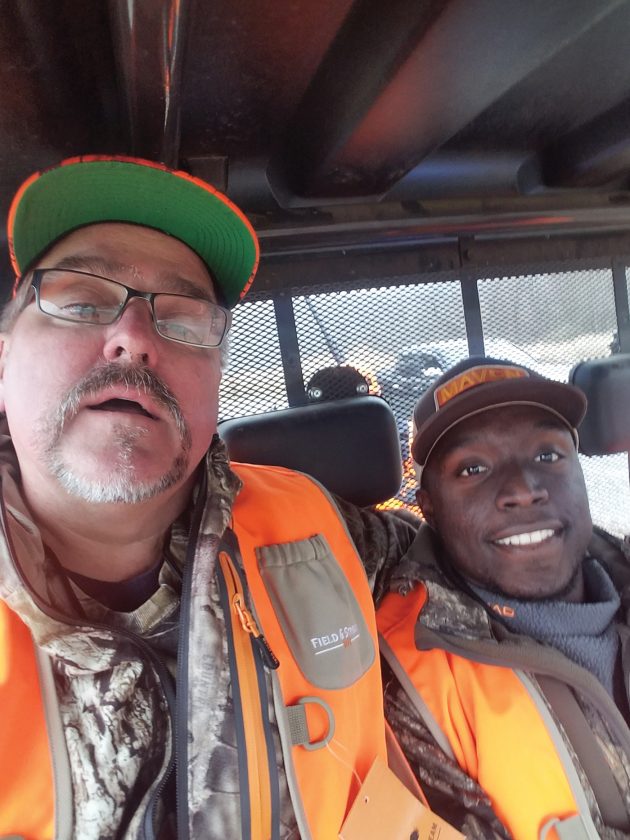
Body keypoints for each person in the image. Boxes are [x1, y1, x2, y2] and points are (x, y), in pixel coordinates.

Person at [0, 155, 416, 839]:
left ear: (217, 377)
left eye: (182, 318)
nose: (134, 339)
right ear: (3, 359)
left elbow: (457, 563)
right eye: (82, 303)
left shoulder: (314, 526)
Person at [377, 357, 630, 839]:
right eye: (473, 468)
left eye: (548, 456)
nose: (523, 489)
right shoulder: (412, 684)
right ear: (428, 506)